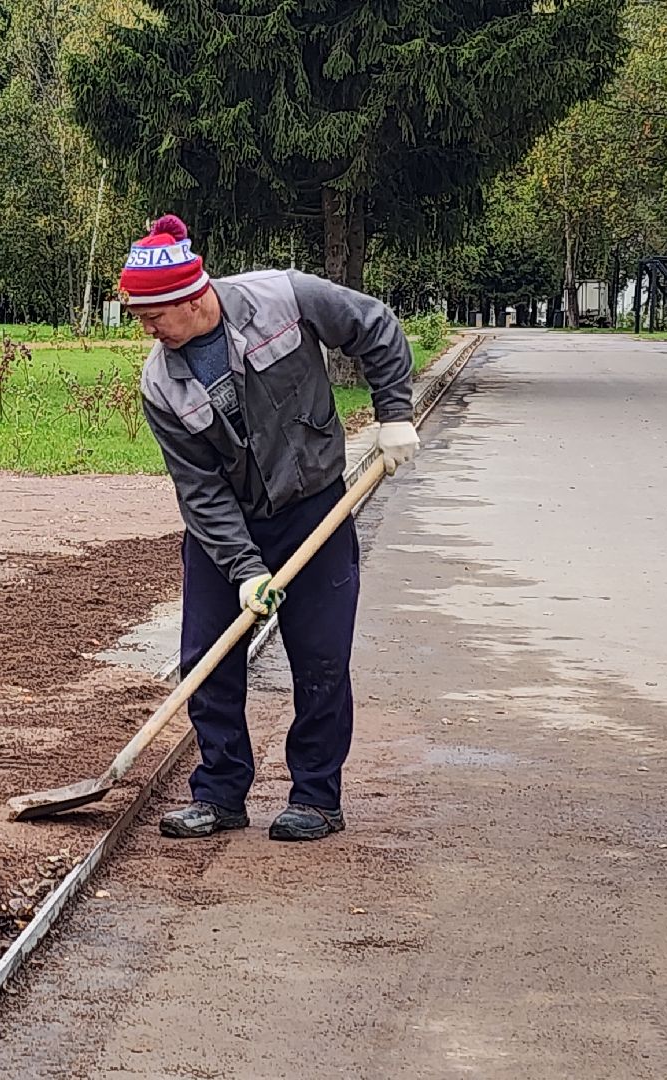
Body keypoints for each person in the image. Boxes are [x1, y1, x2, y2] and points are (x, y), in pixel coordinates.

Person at [123, 213, 420, 843]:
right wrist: (243, 569)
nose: (145, 328)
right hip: (226, 526)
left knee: (319, 657)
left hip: (314, 504)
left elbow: (375, 326)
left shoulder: (281, 297)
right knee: (207, 656)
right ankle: (220, 791)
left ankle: (316, 797)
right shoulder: (160, 383)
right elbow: (199, 490)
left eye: (152, 314)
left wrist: (394, 414)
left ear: (191, 296)